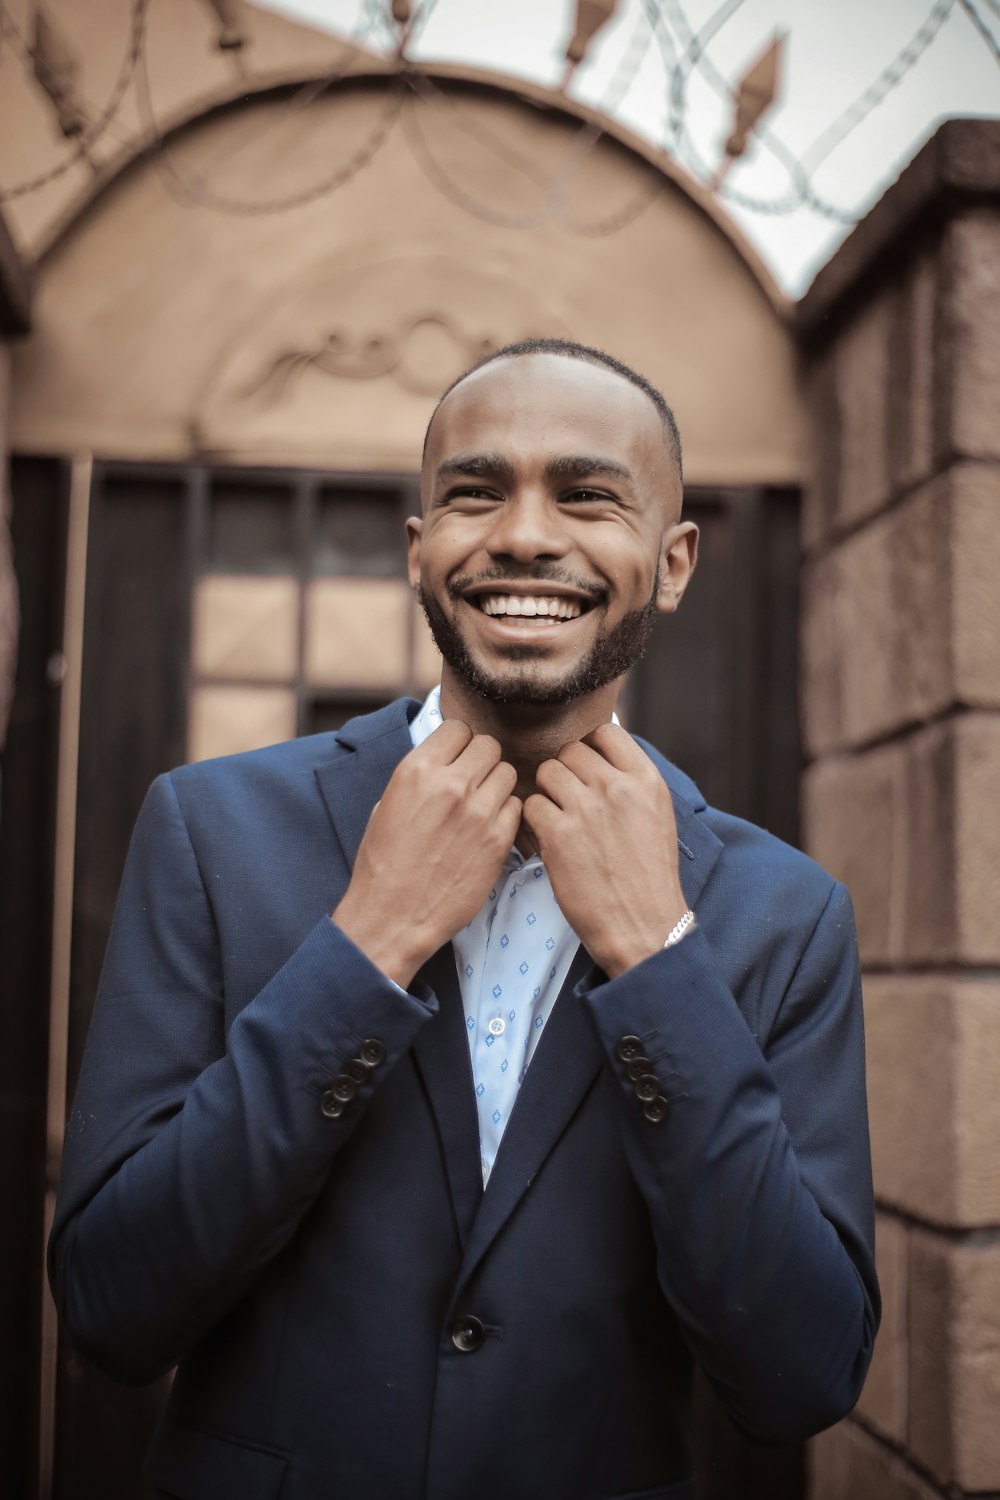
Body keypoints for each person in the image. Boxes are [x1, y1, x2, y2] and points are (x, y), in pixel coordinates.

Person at [49, 339, 879, 1500]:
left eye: (587, 495)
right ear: (418, 551)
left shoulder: (785, 914)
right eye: (475, 492)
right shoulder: (208, 828)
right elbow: (110, 1307)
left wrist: (656, 962)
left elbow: (798, 1378)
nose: (526, 535)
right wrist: (367, 945)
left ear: (675, 560)